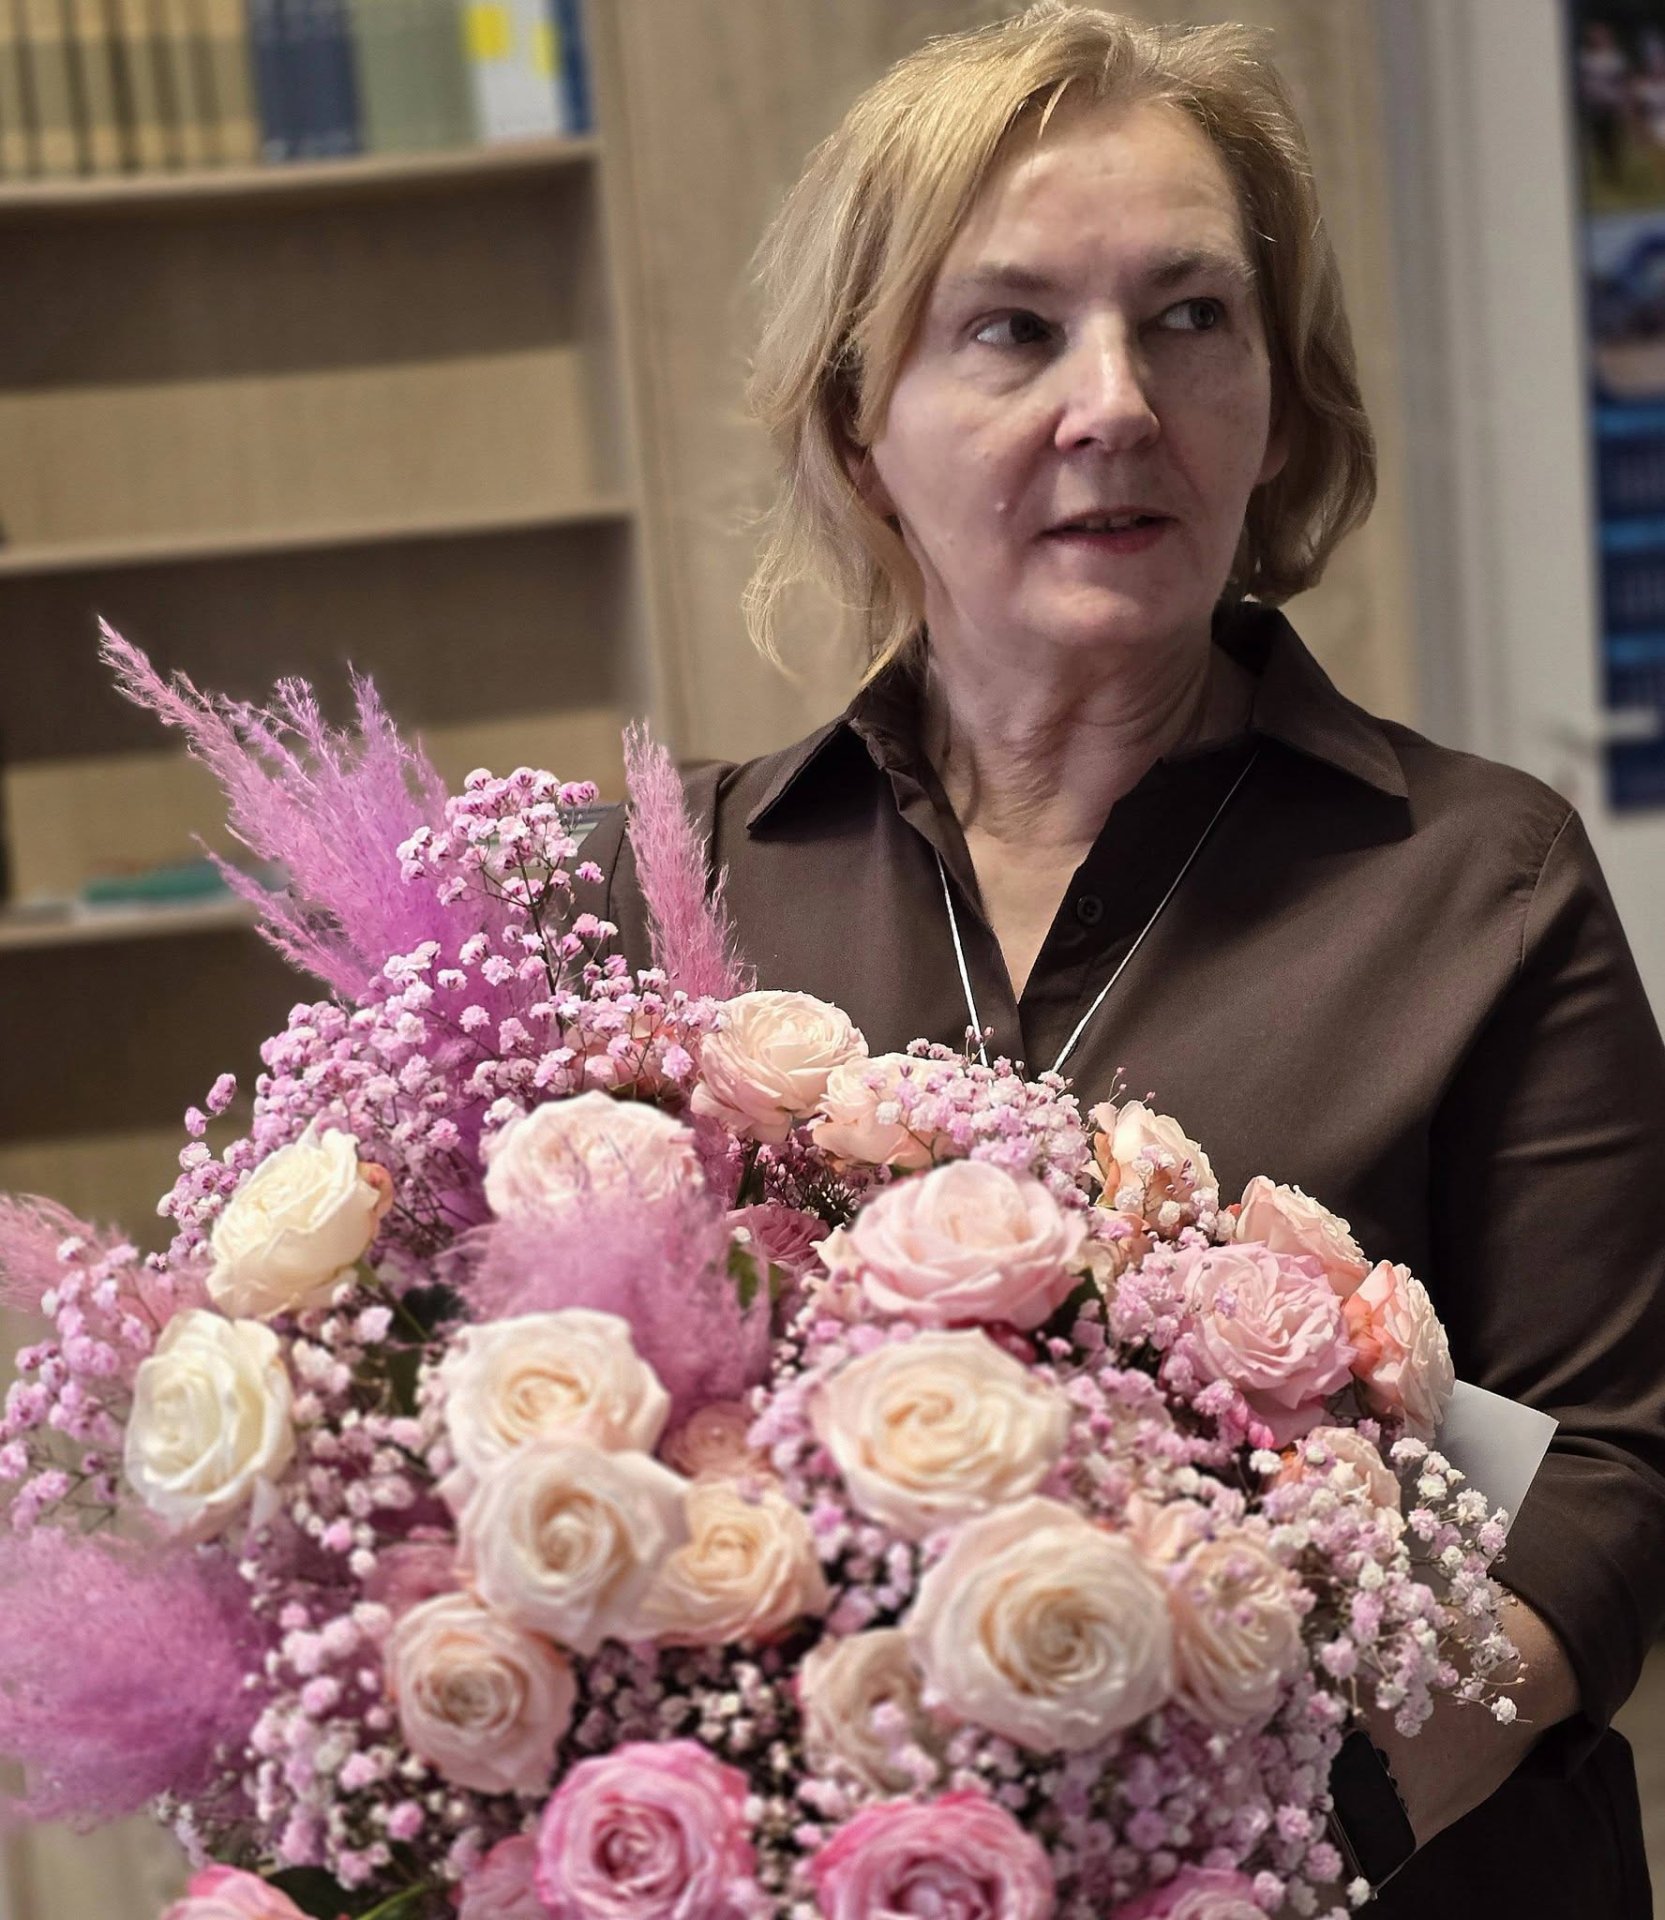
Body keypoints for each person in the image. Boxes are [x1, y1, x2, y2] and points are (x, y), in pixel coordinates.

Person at [581, 7, 1665, 1913]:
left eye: (1188, 317)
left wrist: (1269, 1841)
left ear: (1277, 399)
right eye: (1011, 328)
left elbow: (1607, 1466)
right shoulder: (679, 897)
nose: (1117, 402)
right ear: (858, 422)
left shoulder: (1474, 884)